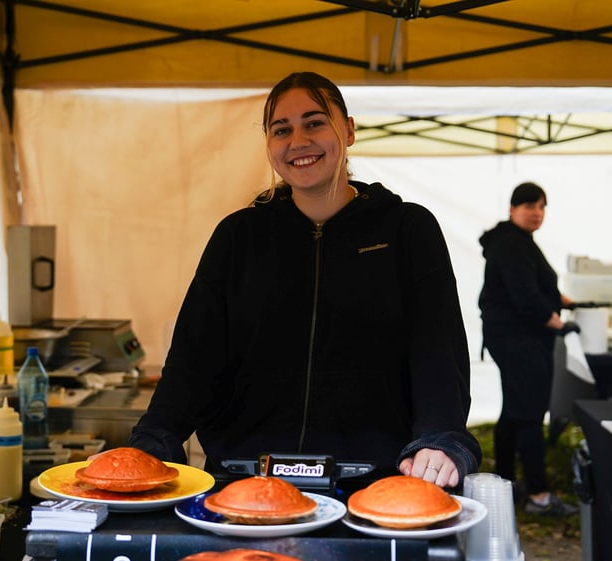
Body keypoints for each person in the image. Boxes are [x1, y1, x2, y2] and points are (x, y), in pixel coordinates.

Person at [130, 71, 481, 489]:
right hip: (245, 479)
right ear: (268, 143)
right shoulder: (238, 236)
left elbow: (437, 350)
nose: (298, 141)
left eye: (314, 122)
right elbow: (194, 357)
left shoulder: (408, 229)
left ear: (348, 130)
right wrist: (152, 440)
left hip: (376, 481)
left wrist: (439, 438)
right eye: (282, 130)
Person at [478, 181, 579, 516]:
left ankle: (504, 483)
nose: (536, 213)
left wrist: (571, 302)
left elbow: (539, 283)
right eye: (529, 206)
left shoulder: (518, 240)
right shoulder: (510, 244)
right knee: (531, 414)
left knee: (515, 408)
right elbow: (525, 296)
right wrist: (559, 323)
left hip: (514, 336)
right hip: (517, 337)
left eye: (541, 207)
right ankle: (538, 496)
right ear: (512, 209)